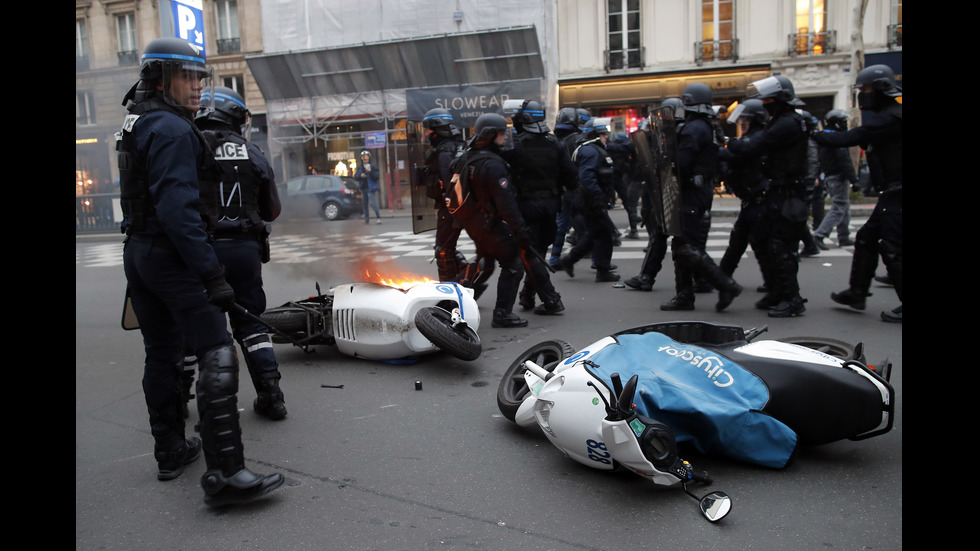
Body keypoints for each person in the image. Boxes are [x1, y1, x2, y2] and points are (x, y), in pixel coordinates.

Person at [117, 37, 283, 506]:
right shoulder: (171, 129)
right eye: (187, 76)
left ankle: (170, 450)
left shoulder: (140, 121)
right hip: (173, 254)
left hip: (141, 252)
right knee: (215, 350)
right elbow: (178, 211)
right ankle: (226, 474)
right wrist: (211, 274)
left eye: (200, 78)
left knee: (163, 352)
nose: (197, 87)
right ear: (160, 77)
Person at [195, 86, 287, 421]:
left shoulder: (188, 148)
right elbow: (272, 210)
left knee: (199, 325)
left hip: (202, 251)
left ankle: (202, 402)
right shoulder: (253, 152)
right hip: (245, 250)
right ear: (237, 118)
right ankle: (271, 394)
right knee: (251, 324)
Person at [813, 64, 902, 322]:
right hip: (892, 191)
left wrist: (815, 134)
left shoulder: (891, 118)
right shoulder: (889, 115)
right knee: (865, 238)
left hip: (898, 192)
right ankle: (857, 292)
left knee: (894, 246)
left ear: (881, 89)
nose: (863, 94)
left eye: (866, 89)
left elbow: (851, 137)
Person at [726, 75, 811, 317]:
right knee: (769, 242)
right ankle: (779, 292)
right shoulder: (785, 120)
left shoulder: (787, 123)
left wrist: (728, 143)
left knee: (780, 245)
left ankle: (792, 299)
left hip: (788, 191)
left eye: (769, 99)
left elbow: (753, 147)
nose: (765, 102)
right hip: (782, 190)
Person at [659, 83, 742, 312]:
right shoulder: (705, 126)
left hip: (692, 193)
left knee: (686, 246)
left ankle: (725, 284)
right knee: (680, 245)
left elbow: (682, 162)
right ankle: (685, 296)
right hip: (696, 191)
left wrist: (666, 164)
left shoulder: (694, 128)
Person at [450, 113, 529, 328]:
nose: (505, 137)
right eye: (502, 133)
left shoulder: (469, 156)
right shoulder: (493, 164)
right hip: (488, 223)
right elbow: (506, 204)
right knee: (512, 264)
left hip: (473, 222)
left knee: (484, 263)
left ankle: (454, 303)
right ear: (490, 134)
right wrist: (520, 231)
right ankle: (502, 314)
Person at [502, 99, 576, 315]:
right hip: (552, 204)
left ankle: (552, 300)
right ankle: (527, 295)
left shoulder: (514, 144)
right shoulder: (556, 144)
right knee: (539, 249)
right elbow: (571, 178)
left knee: (529, 253)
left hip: (526, 205)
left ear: (522, 120)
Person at [716, 99, 771, 289]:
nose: (742, 123)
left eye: (746, 119)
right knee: (739, 241)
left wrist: (723, 143)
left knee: (762, 245)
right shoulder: (750, 139)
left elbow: (739, 152)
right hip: (751, 200)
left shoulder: (760, 138)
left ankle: (777, 287)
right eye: (741, 119)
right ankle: (721, 279)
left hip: (761, 200)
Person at [558, 117, 621, 282]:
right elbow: (587, 177)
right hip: (590, 200)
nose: (606, 137)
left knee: (595, 233)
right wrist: (598, 197)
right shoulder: (590, 151)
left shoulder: (595, 149)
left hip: (590, 199)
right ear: (594, 134)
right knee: (604, 234)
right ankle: (603, 270)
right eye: (602, 134)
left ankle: (569, 260)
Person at [420, 108, 469, 282]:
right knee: (448, 247)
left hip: (450, 208)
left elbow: (451, 185)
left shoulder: (444, 152)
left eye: (428, 129)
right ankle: (463, 279)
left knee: (442, 250)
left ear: (437, 128)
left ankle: (450, 292)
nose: (426, 133)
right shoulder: (460, 146)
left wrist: (454, 212)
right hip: (463, 207)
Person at [812, 109, 859, 249]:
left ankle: (843, 236)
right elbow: (845, 161)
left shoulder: (825, 138)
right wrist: (854, 180)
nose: (846, 124)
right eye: (844, 122)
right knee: (839, 207)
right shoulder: (837, 139)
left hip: (830, 176)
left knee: (844, 206)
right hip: (838, 177)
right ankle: (819, 235)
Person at [549, 107, 588, 267]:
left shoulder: (553, 141)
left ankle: (554, 258)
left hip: (560, 188)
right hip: (576, 187)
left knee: (562, 225)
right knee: (590, 225)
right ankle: (598, 263)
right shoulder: (578, 139)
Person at [355, 150, 382, 223]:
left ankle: (378, 217)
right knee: (364, 205)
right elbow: (356, 177)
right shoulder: (360, 168)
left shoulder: (373, 166)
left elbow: (377, 177)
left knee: (372, 203)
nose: (365, 160)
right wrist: (361, 176)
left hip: (371, 188)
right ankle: (366, 220)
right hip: (363, 188)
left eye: (366, 158)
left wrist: (371, 171)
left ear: (369, 158)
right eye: (363, 158)